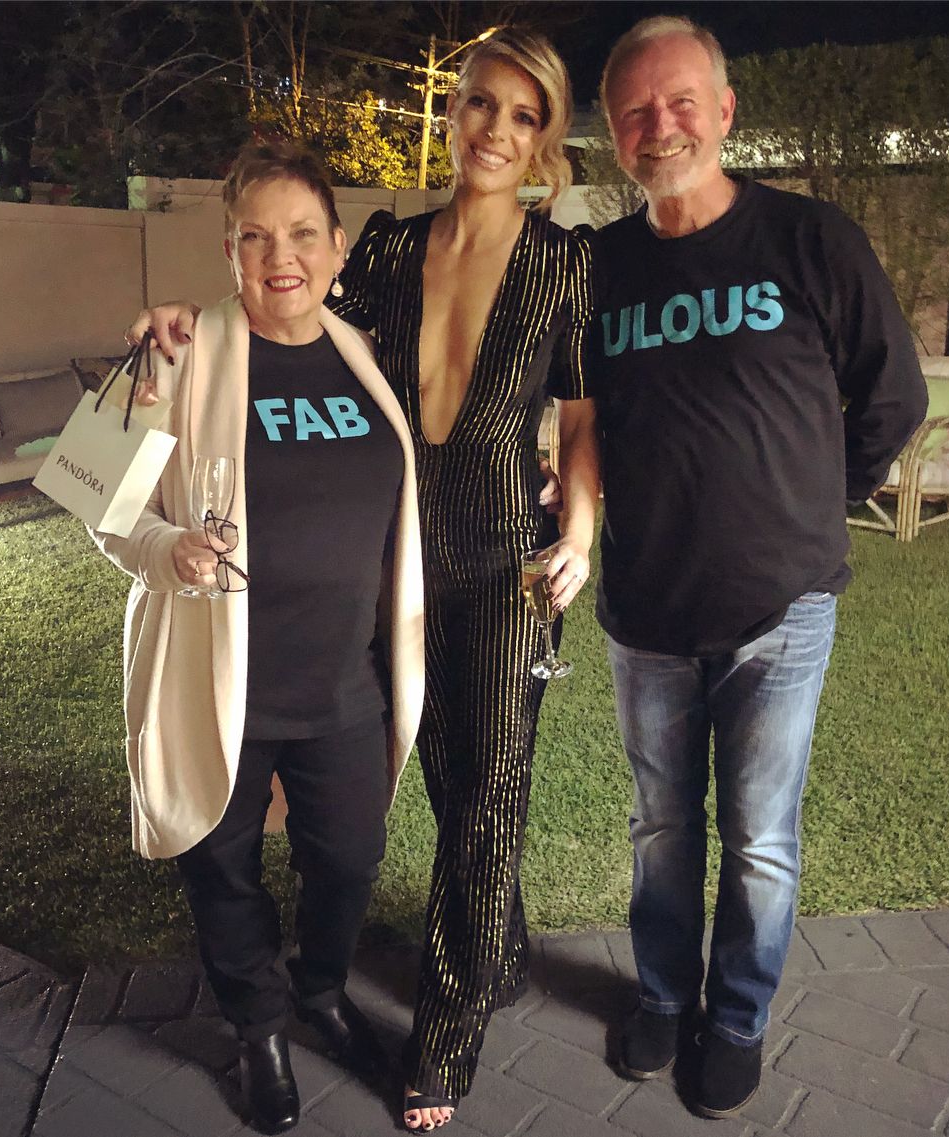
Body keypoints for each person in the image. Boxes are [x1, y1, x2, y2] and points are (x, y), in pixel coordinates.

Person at [124, 29, 600, 1132]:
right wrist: (176, 327)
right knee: (322, 829)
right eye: (478, 103)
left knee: (462, 809)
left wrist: (577, 523)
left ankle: (422, 1027)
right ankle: (310, 1010)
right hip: (358, 590)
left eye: (523, 115)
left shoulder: (560, 264)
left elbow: (577, 415)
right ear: (452, 112)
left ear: (545, 141)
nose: (494, 129)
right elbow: (283, 318)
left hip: (481, 573)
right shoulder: (381, 253)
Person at [589, 15, 929, 1120]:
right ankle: (661, 995)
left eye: (681, 101)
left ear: (725, 111)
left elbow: (894, 396)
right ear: (613, 133)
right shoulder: (600, 267)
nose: (661, 125)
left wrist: (812, 508)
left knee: (761, 840)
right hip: (645, 610)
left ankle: (734, 1018)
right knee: (660, 829)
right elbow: (566, 405)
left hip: (781, 615)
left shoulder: (808, 239)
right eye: (636, 110)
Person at [93, 138, 424, 1136]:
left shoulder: (364, 355)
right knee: (222, 865)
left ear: (337, 247)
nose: (282, 257)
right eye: (256, 237)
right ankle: (261, 1028)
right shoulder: (177, 349)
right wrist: (167, 549)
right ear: (229, 249)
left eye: (303, 234)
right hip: (218, 682)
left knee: (351, 859)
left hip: (345, 686)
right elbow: (97, 496)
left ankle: (320, 988)